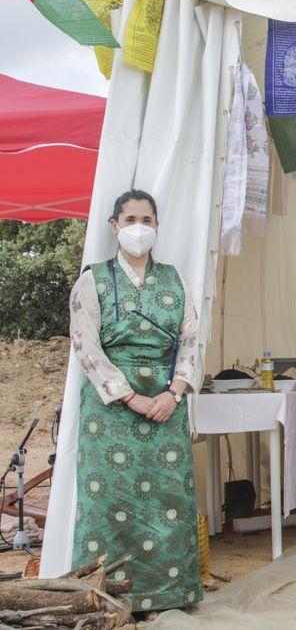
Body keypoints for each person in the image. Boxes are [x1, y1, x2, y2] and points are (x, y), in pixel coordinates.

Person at [68, 190, 202, 613]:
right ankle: (103, 599)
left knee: (169, 502)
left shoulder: (175, 279)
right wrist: (129, 397)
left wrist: (174, 392)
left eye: (146, 218)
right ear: (114, 226)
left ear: (157, 225)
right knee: (109, 503)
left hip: (166, 406)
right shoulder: (92, 279)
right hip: (109, 415)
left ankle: (168, 595)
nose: (138, 226)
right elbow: (86, 347)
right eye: (130, 219)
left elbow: (191, 343)